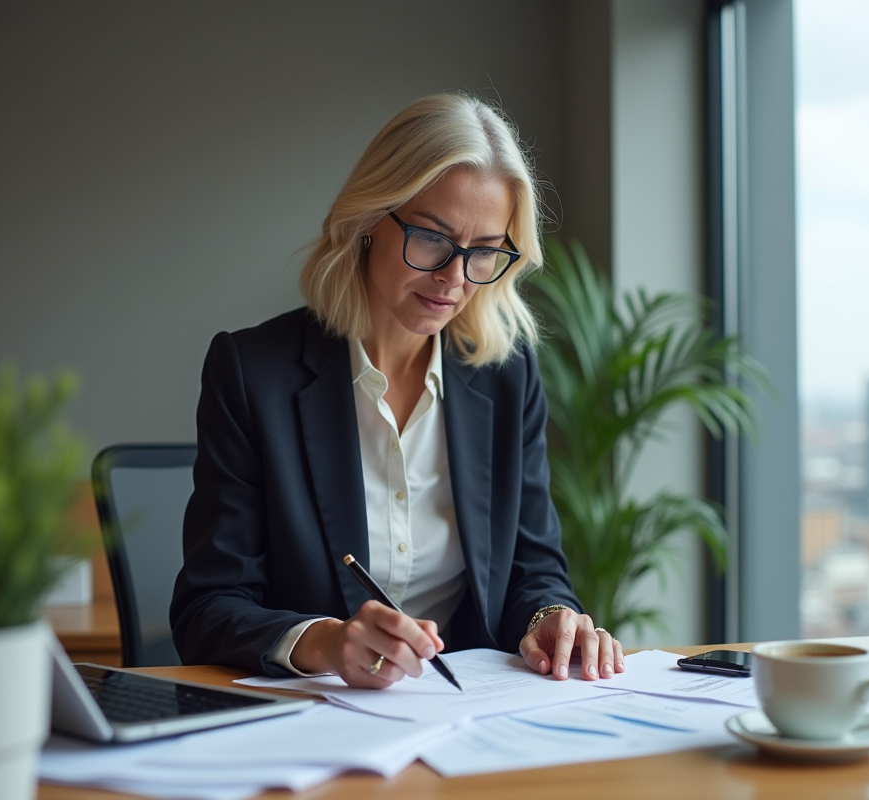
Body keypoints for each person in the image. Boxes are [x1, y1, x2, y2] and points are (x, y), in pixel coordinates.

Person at [170, 93, 624, 689]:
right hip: (316, 718)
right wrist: (325, 642)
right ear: (368, 222)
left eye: (484, 251)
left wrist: (550, 617)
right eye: (433, 239)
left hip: (471, 713)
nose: (455, 280)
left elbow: (531, 570)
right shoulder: (253, 373)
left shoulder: (507, 375)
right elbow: (208, 607)